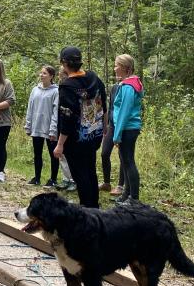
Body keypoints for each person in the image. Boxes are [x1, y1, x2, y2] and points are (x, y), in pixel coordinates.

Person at [53, 47, 106, 208]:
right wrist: (104, 126)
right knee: (90, 171)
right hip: (94, 134)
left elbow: (67, 117)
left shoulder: (67, 86)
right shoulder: (93, 78)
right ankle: (94, 206)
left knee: (80, 175)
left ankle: (87, 209)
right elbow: (103, 102)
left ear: (63, 63)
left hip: (76, 140)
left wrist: (60, 144)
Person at [112, 54, 144, 203]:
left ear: (125, 68)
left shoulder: (129, 87)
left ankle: (134, 198)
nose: (114, 68)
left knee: (129, 161)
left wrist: (117, 135)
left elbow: (124, 111)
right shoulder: (128, 84)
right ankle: (126, 194)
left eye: (117, 65)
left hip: (127, 129)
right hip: (127, 128)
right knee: (125, 161)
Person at [25, 65, 60, 187]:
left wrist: (53, 129)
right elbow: (30, 108)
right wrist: (28, 125)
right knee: (37, 153)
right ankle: (37, 177)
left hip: (49, 128)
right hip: (36, 126)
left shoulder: (56, 91)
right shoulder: (35, 90)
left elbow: (56, 111)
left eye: (45, 73)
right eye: (41, 73)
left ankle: (53, 179)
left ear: (51, 76)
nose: (42, 75)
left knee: (53, 154)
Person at [101, 75, 124, 195]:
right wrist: (107, 125)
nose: (116, 72)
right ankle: (106, 183)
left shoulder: (127, 87)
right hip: (112, 126)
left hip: (123, 126)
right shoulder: (114, 87)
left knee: (123, 156)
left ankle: (120, 186)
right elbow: (110, 108)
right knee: (104, 153)